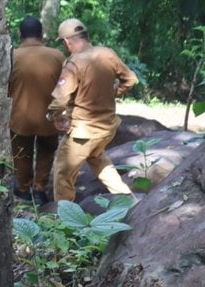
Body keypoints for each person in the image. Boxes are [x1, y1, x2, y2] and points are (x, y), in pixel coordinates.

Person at [47, 18, 138, 202]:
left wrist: (53, 115)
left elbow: (60, 99)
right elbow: (131, 80)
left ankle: (63, 221)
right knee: (99, 161)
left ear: (67, 42)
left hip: (83, 133)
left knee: (63, 172)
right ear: (86, 36)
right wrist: (114, 92)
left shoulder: (73, 63)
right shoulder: (107, 54)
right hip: (106, 129)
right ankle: (128, 199)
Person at [8, 16, 65, 206]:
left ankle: (23, 189)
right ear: (42, 34)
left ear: (19, 34)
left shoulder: (11, 56)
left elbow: (4, 88)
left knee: (21, 154)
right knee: (46, 152)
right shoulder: (57, 56)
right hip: (49, 117)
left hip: (20, 117)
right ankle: (40, 189)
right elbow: (65, 85)